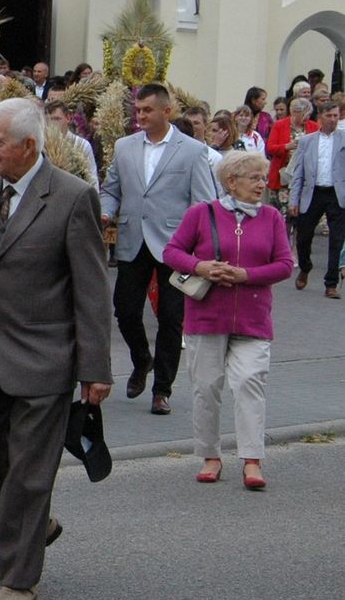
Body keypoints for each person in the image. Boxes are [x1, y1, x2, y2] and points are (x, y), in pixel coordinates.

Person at [0, 98, 112, 600]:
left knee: (32, 472)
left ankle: (19, 576)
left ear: (29, 146)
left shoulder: (72, 197)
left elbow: (91, 289)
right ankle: (36, 525)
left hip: (45, 356)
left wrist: (95, 368)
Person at [163, 152, 291, 492]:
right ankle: (210, 455)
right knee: (206, 387)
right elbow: (172, 252)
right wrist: (202, 267)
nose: (262, 184)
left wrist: (246, 275)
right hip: (206, 316)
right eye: (254, 178)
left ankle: (252, 459)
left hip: (253, 318)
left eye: (263, 178)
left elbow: (284, 265)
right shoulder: (201, 214)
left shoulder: (272, 217)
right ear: (231, 181)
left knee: (250, 382)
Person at [101, 83, 218, 416]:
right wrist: (105, 210)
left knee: (170, 318)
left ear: (167, 111)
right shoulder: (125, 147)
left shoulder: (192, 151)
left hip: (175, 246)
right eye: (137, 110)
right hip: (133, 239)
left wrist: (200, 249)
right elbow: (111, 189)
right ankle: (142, 359)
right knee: (124, 310)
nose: (140, 116)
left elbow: (205, 203)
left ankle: (162, 389)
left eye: (147, 110)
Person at [288, 98, 345, 298]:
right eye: (328, 116)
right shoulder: (307, 141)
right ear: (320, 117)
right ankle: (305, 266)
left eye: (335, 116)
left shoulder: (343, 139)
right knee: (303, 236)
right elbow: (298, 173)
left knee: (336, 239)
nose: (332, 120)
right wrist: (293, 200)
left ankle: (331, 283)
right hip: (313, 192)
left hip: (336, 193)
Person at [266, 96, 317, 211]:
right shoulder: (279, 125)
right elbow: (270, 148)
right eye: (305, 114)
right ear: (294, 112)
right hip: (283, 175)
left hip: (304, 176)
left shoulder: (314, 126)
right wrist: (286, 146)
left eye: (309, 114)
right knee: (283, 211)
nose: (307, 117)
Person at [45, 99, 98, 188]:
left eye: (57, 119)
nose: (52, 124)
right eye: (49, 120)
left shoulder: (82, 145)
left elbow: (92, 179)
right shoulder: (42, 145)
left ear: (68, 118)